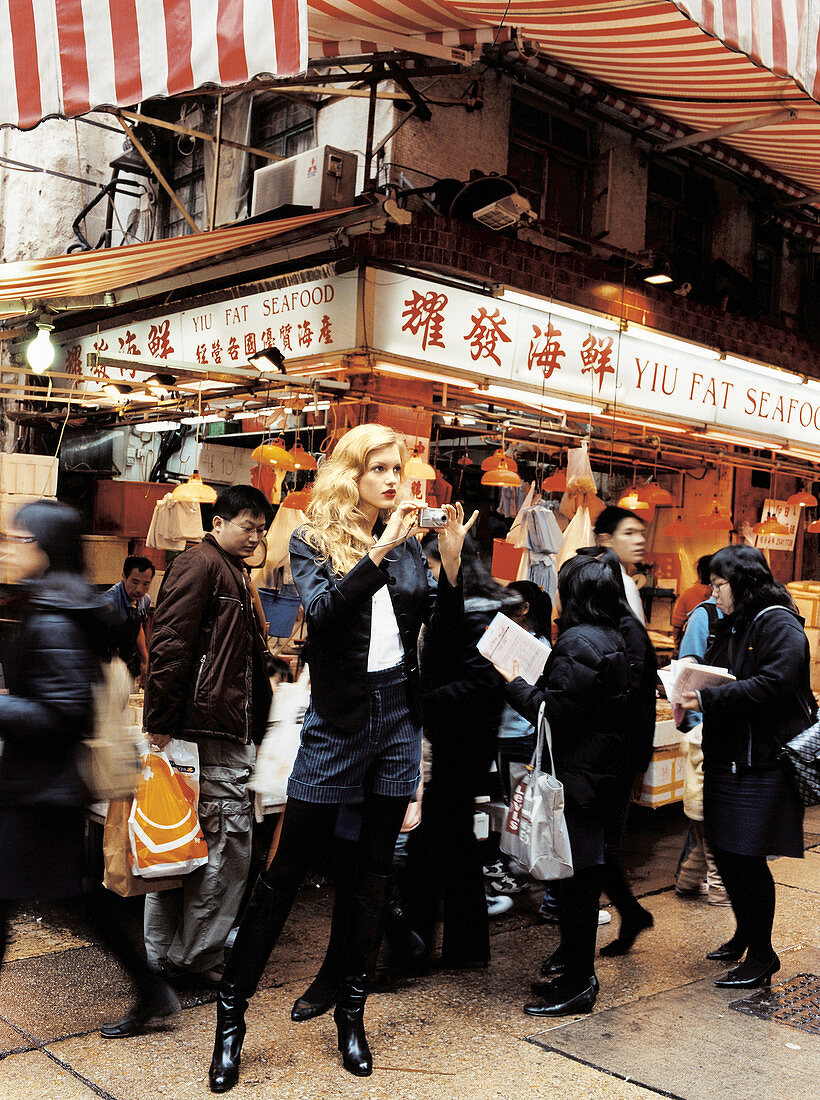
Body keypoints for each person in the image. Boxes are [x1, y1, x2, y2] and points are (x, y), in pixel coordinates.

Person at [207, 423, 475, 1092]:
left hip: (396, 719)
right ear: (350, 474)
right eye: (377, 467)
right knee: (286, 872)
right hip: (336, 722)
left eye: (398, 467)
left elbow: (436, 639)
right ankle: (231, 1017)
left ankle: (351, 1013)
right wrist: (380, 552)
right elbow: (321, 618)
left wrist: (453, 562)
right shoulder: (312, 538)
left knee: (372, 875)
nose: (392, 479)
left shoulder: (411, 542)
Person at [0, 502, 179, 1038]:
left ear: (45, 547)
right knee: (75, 896)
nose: (9, 547)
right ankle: (151, 990)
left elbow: (64, 711)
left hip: (41, 790)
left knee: (28, 898)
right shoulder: (51, 602)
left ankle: (151, 990)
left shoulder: (55, 613)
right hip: (39, 786)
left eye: (18, 538)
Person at [142, 485, 274, 989]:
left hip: (208, 725)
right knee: (223, 847)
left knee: (178, 844)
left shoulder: (230, 572)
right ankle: (191, 959)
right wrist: (160, 723)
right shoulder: (202, 565)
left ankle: (165, 957)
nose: (255, 537)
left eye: (261, 529)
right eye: (247, 526)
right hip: (208, 729)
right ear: (217, 522)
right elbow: (170, 644)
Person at [495, 554, 629, 1017]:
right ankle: (576, 974)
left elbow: (553, 711)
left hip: (577, 775)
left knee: (576, 886)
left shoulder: (577, 640)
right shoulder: (614, 635)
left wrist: (513, 681)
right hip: (600, 776)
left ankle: (579, 982)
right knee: (583, 881)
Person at [678, 544, 814, 989]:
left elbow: (776, 683)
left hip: (763, 761)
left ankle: (763, 955)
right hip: (730, 755)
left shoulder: (777, 620)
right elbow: (722, 669)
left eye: (719, 585)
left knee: (747, 858)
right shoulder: (732, 619)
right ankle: (744, 934)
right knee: (725, 850)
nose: (714, 594)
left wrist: (705, 696)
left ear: (743, 582)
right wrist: (689, 673)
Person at [400, 533, 514, 970]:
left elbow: (481, 684)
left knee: (431, 846)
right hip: (459, 741)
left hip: (459, 743)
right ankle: (463, 950)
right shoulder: (470, 609)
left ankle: (413, 947)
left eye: (429, 565)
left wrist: (419, 700)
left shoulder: (479, 614)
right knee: (455, 846)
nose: (426, 575)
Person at [102, 554, 155, 682]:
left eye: (146, 584)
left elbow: (138, 628)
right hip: (104, 665)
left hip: (125, 663)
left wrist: (145, 661)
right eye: (135, 582)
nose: (139, 589)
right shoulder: (108, 603)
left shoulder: (145, 600)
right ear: (124, 577)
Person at [593, 506, 646, 624]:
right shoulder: (622, 583)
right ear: (605, 539)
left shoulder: (586, 573)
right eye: (629, 533)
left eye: (642, 533)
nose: (640, 540)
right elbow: (635, 637)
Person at [672, 555, 713, 650]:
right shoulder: (724, 594)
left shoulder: (688, 594)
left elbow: (677, 625)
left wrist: (677, 647)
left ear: (699, 572)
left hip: (692, 647)